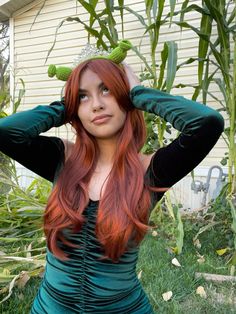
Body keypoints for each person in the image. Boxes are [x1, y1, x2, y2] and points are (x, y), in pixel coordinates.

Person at [0, 41, 224, 314]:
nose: (95, 105)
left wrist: (139, 93)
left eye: (106, 89)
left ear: (124, 95)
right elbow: (5, 132)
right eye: (83, 96)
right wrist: (65, 105)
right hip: (50, 308)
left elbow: (207, 123)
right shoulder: (62, 159)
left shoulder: (151, 170)